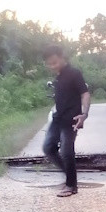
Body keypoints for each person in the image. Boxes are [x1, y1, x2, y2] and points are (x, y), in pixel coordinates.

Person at [42, 45, 90, 197]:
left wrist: (84, 114)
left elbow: (85, 94)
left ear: (62, 57)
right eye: (49, 64)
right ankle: (70, 176)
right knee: (48, 148)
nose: (52, 66)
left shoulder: (74, 73)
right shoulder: (58, 77)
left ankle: (71, 185)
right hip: (58, 119)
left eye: (54, 62)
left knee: (66, 151)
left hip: (72, 120)